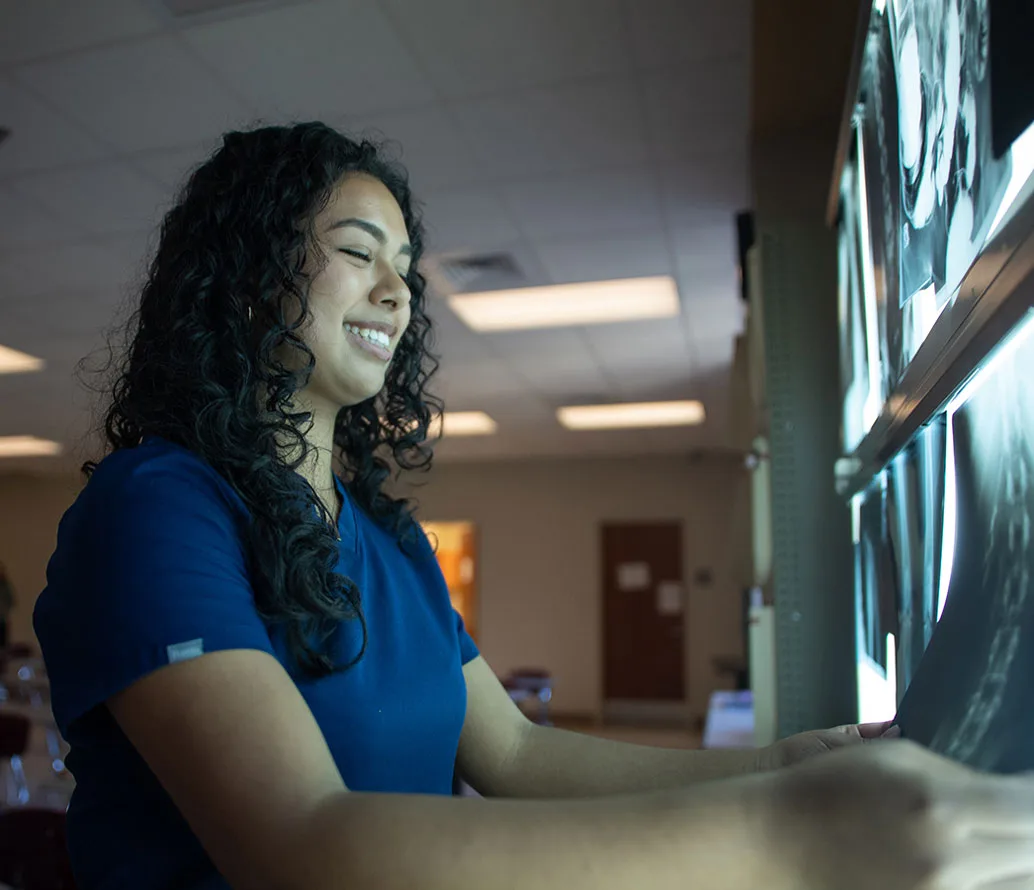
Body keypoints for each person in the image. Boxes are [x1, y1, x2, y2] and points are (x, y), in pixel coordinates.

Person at [32, 123, 1034, 890]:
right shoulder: (157, 509)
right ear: (248, 281)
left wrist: (778, 767)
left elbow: (512, 752)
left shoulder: (386, 537)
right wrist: (790, 833)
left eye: (406, 269)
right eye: (357, 250)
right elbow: (298, 841)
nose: (397, 292)